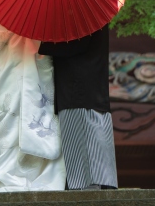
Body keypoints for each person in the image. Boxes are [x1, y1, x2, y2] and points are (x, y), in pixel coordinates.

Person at [0, 10, 66, 193]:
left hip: (34, 69)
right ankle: (8, 174)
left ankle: (39, 174)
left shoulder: (37, 7)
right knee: (8, 119)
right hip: (8, 73)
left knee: (38, 117)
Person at [38, 25, 117, 190]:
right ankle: (98, 185)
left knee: (82, 141)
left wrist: (41, 45)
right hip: (89, 87)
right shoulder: (95, 15)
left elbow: (74, 45)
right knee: (94, 136)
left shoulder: (83, 17)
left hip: (78, 88)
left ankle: (89, 187)